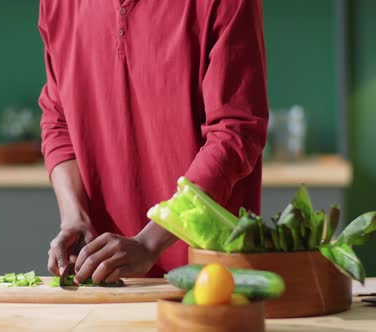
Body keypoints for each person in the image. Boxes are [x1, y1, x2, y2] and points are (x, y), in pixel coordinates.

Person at [38, 0, 269, 285]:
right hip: (105, 279)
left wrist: (150, 242)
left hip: (211, 278)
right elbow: (58, 119)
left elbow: (236, 132)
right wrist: (75, 217)